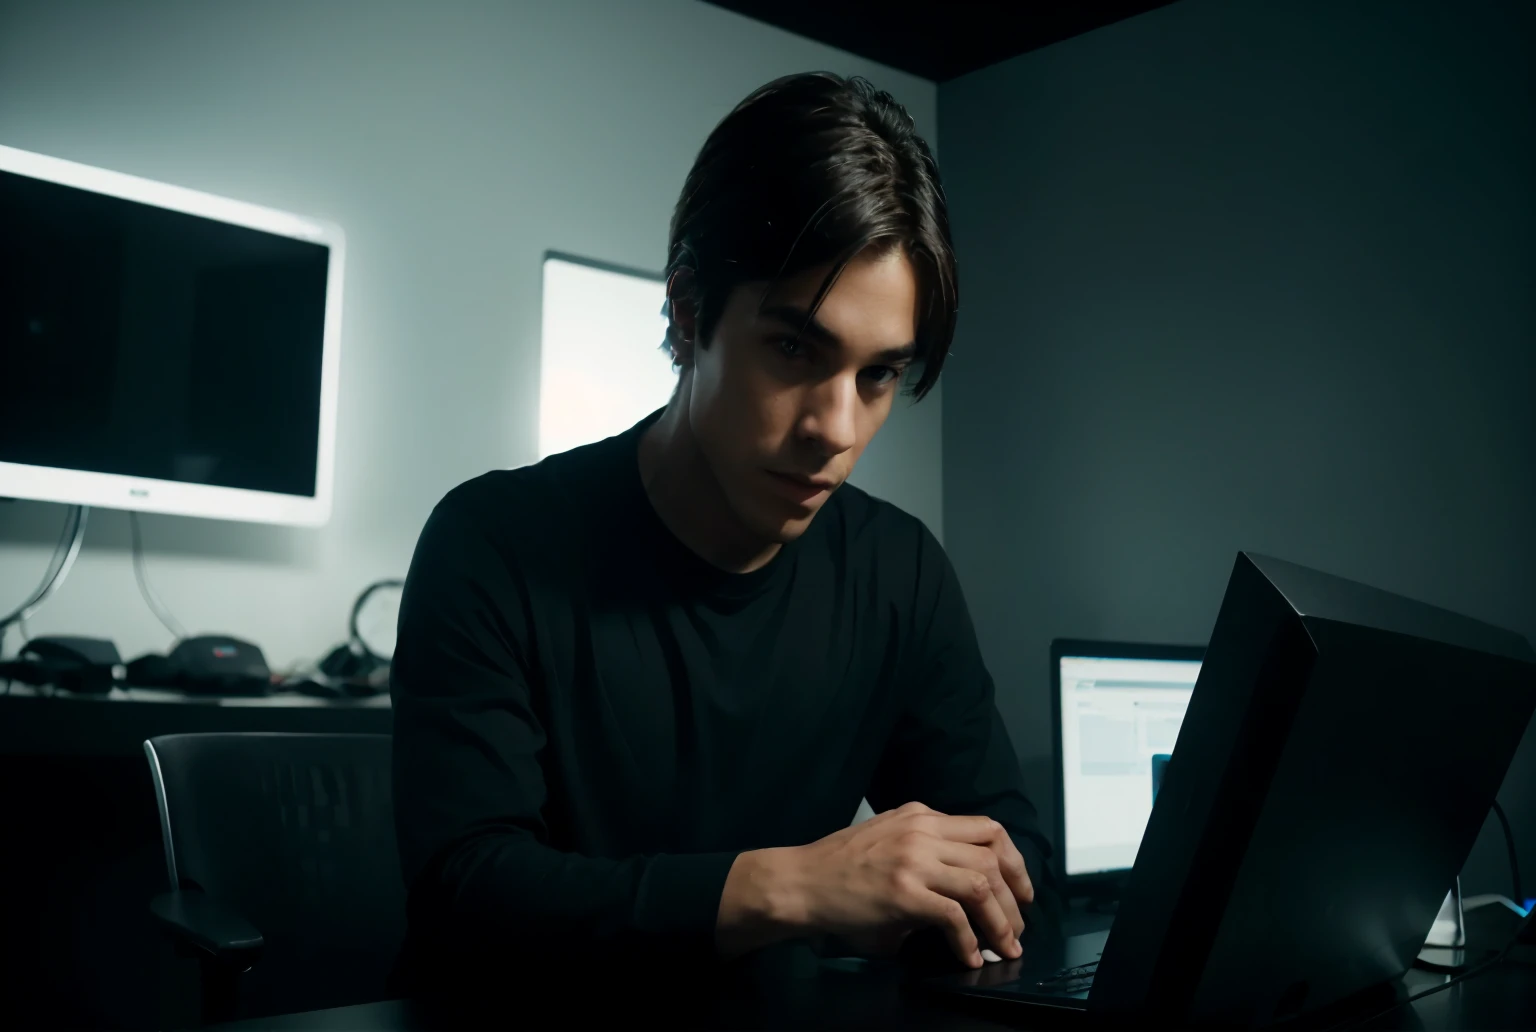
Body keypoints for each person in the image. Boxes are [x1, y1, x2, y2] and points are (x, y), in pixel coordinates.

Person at [389, 71, 1057, 1008]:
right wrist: (797, 885)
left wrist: (935, 889)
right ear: (689, 312)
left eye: (877, 378)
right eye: (795, 349)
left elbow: (1012, 856)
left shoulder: (900, 573)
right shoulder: (490, 543)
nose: (836, 427)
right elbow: (467, 892)